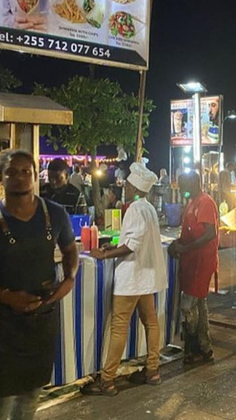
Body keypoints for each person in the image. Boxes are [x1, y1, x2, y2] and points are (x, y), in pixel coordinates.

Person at [0, 149, 78, 419]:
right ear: (0, 178)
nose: (20, 177)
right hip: (2, 323)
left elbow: (71, 251)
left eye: (26, 171)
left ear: (36, 176)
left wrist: (69, 279)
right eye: (12, 171)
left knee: (30, 396)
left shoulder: (56, 214)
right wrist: (6, 296)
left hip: (42, 320)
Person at [87, 162, 166, 395]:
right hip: (146, 278)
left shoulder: (135, 209)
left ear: (135, 188)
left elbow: (131, 246)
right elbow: (133, 241)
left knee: (119, 326)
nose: (125, 188)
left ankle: (108, 380)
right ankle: (153, 369)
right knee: (151, 322)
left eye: (128, 185)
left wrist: (104, 254)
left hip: (132, 277)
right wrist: (114, 244)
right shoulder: (149, 208)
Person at [169, 170, 218, 365]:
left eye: (183, 186)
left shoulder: (205, 202)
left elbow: (209, 234)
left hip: (201, 261)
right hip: (191, 261)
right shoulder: (191, 202)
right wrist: (177, 244)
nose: (181, 190)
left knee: (189, 306)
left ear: (195, 184)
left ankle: (195, 348)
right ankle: (204, 347)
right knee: (199, 304)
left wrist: (186, 248)